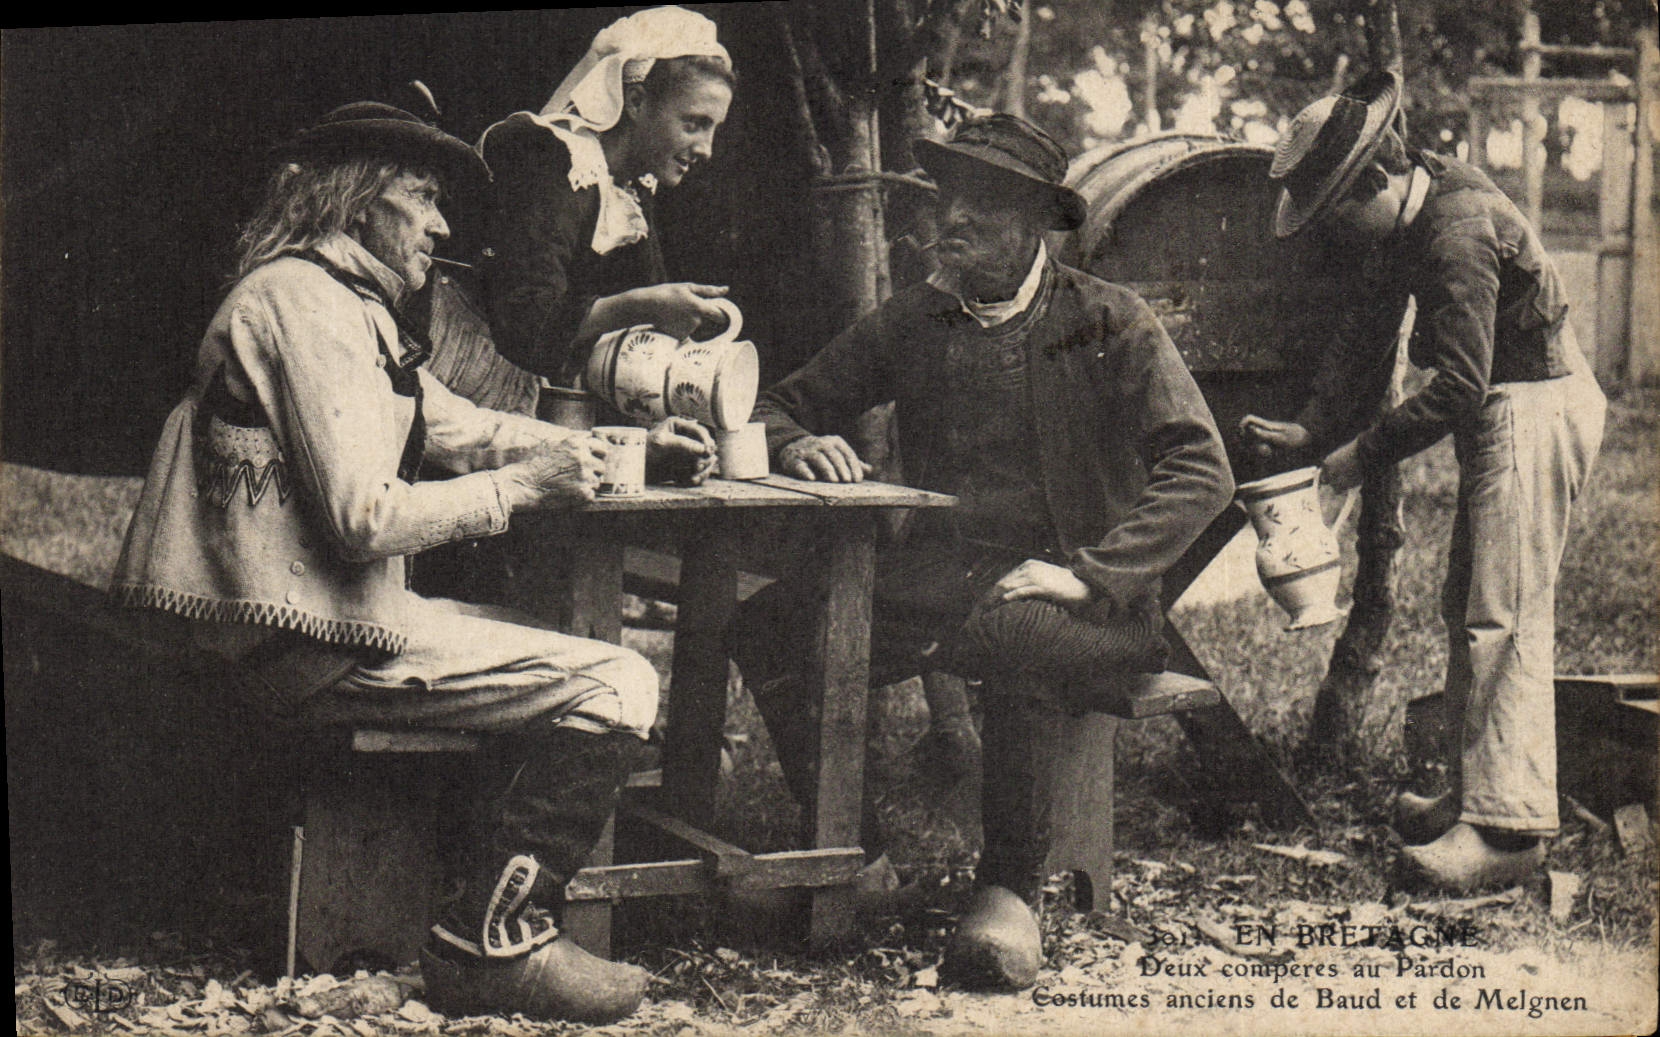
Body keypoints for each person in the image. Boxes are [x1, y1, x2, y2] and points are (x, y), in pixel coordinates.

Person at [110, 101, 711, 1023]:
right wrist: (526, 488)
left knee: (548, 650)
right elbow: (362, 519)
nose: (441, 225)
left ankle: (472, 911)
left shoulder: (338, 302)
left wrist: (617, 445)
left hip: (309, 627)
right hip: (301, 648)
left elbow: (460, 428)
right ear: (356, 204)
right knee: (620, 681)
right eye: (422, 198)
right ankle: (491, 941)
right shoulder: (303, 308)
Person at [728, 113, 1234, 990]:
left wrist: (1089, 572)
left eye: (984, 209)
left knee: (1014, 635)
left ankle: (1009, 892)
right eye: (948, 203)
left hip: (1093, 607)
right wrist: (794, 441)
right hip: (941, 581)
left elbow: (1201, 468)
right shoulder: (917, 318)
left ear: (1037, 224)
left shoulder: (1110, 320)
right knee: (769, 624)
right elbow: (780, 400)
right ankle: (860, 862)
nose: (951, 224)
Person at [1241, 72, 1606, 893]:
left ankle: (1509, 831)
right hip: (1503, 407)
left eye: (1337, 210)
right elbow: (1367, 329)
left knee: (1503, 614)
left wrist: (1358, 457)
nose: (1337, 231)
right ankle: (1478, 794)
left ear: (1372, 180)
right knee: (1468, 605)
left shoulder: (1455, 229)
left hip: (1535, 406)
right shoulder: (1412, 209)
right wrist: (1311, 427)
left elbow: (1459, 386)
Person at [477, 5, 736, 385]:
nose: (706, 149)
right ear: (636, 102)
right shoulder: (558, 162)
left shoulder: (630, 187)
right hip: (468, 371)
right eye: (694, 124)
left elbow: (645, 296)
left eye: (713, 129)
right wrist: (643, 305)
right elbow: (525, 323)